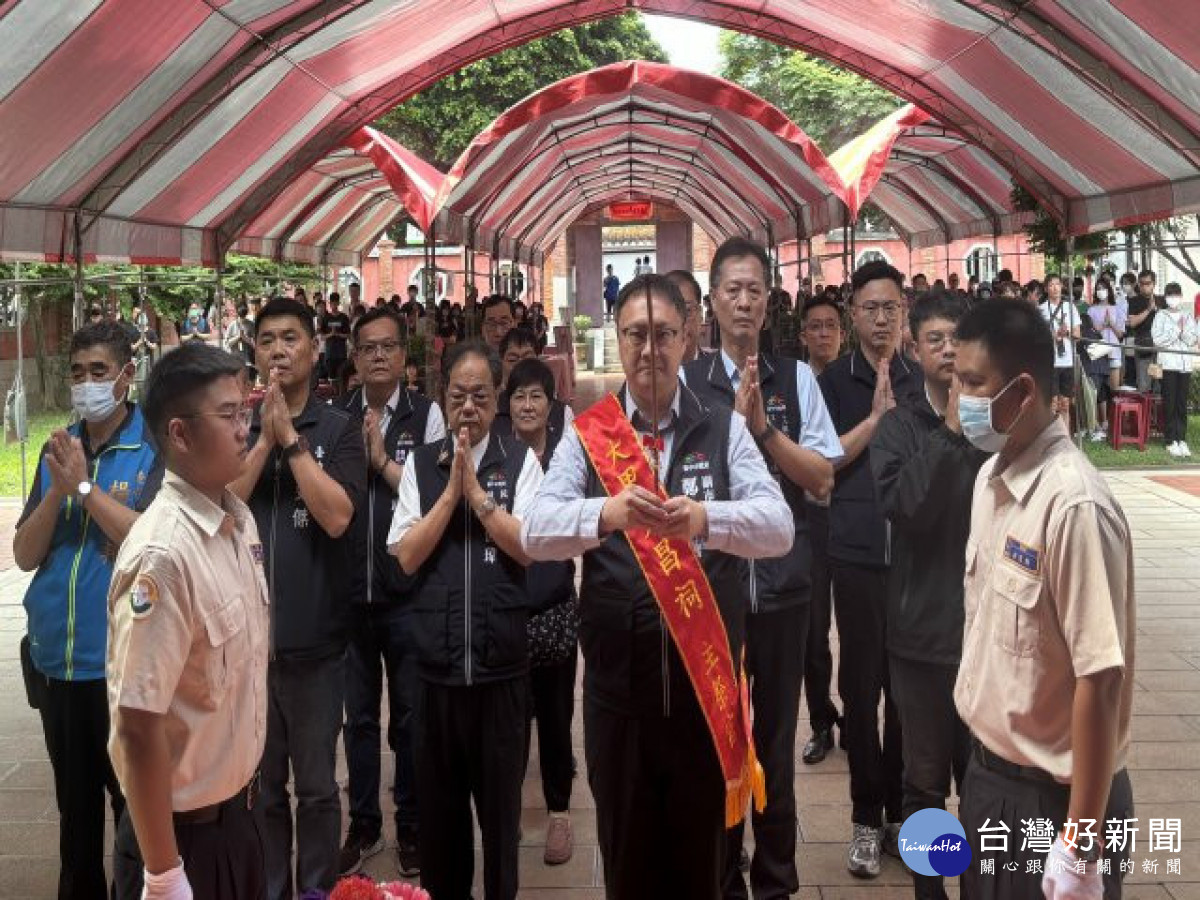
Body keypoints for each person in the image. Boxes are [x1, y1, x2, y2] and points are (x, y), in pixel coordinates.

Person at [522, 274, 794, 900]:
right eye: (637, 334)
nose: (650, 349)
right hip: (620, 701)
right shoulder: (589, 434)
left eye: (664, 334)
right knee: (629, 860)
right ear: (618, 339)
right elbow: (535, 532)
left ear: (689, 337)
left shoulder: (722, 428)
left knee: (702, 865)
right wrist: (604, 514)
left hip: (705, 696)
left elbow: (779, 527)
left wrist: (708, 519)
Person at [952, 299, 1136, 900]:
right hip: (990, 782)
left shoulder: (1075, 505)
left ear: (1024, 391)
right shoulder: (991, 480)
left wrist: (1081, 848)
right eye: (957, 379)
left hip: (1056, 801)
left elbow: (1101, 677)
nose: (961, 398)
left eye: (974, 382)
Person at [683, 238, 841, 900]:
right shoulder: (688, 384)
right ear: (712, 301)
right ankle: (721, 879)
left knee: (773, 746)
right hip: (710, 598)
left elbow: (824, 479)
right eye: (732, 290)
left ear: (770, 301)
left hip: (782, 593)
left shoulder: (795, 379)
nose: (745, 301)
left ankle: (775, 881)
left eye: (756, 290)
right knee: (718, 746)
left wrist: (764, 435)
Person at [108, 343, 267, 900]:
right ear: (179, 433)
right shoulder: (163, 555)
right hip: (180, 842)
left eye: (246, 410)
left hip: (237, 820)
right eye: (229, 415)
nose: (245, 427)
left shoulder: (237, 520)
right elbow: (137, 723)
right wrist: (163, 873)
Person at [387, 341, 543, 900]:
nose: (469, 408)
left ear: (497, 398)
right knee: (441, 832)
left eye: (481, 396)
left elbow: (528, 547)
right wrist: (449, 494)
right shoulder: (421, 468)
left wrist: (476, 496)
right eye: (458, 396)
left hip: (501, 675)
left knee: (501, 828)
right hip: (435, 677)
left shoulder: (521, 460)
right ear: (442, 397)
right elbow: (406, 555)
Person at [13, 321, 162, 900]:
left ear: (127, 374)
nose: (86, 385)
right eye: (77, 374)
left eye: (99, 373)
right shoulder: (58, 451)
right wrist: (56, 487)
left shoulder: (152, 449)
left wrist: (83, 490)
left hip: (122, 667)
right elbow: (26, 554)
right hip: (59, 663)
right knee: (75, 821)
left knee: (137, 815)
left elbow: (147, 541)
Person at [230, 297, 367, 900]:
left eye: (290, 337)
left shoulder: (339, 429)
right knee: (261, 792)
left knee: (315, 791)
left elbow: (338, 516)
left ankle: (316, 891)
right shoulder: (236, 428)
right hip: (249, 651)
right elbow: (220, 507)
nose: (279, 349)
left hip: (317, 649)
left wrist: (292, 442)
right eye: (267, 340)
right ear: (255, 353)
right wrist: (264, 438)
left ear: (315, 348)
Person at [868, 292, 988, 900]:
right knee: (924, 785)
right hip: (919, 636)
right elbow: (907, 509)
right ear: (914, 349)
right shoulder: (899, 427)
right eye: (936, 340)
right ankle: (929, 892)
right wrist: (947, 432)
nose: (947, 350)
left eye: (957, 340)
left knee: (985, 784)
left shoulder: (999, 427)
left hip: (988, 637)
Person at [336, 308, 445, 878]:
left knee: (409, 716)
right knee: (357, 720)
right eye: (367, 349)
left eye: (387, 348)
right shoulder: (337, 418)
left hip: (408, 594)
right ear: (354, 359)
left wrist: (381, 462)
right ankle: (362, 823)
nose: (377, 356)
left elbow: (433, 494)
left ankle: (410, 822)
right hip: (352, 596)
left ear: (404, 357)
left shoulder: (425, 417)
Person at [818, 260, 918, 877]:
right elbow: (823, 463)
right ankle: (862, 815)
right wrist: (875, 422)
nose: (880, 319)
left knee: (906, 693)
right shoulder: (829, 386)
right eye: (870, 309)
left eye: (890, 308)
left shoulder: (924, 378)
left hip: (912, 560)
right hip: (854, 555)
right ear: (854, 315)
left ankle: (899, 816)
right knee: (860, 691)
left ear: (902, 313)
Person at [507, 357, 580, 865]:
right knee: (508, 721)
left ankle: (559, 813)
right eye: (519, 396)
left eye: (536, 396)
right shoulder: (499, 458)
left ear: (550, 405)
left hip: (554, 607)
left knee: (555, 718)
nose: (528, 405)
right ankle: (505, 810)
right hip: (506, 611)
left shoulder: (566, 457)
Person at [797, 296, 846, 766]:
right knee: (813, 632)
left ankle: (853, 715)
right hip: (808, 519)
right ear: (803, 336)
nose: (824, 334)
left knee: (853, 630)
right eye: (816, 326)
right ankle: (820, 722)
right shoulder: (793, 386)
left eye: (832, 326)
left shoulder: (855, 385)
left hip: (847, 520)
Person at [1152, 282, 1198, 457]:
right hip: (1169, 364)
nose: (1173, 298)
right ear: (1166, 297)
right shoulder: (1161, 316)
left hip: (1184, 365)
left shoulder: (1187, 315)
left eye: (1176, 294)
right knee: (1169, 402)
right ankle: (1170, 440)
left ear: (1181, 296)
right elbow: (1158, 340)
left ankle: (1182, 439)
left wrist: (1183, 331)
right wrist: (1175, 330)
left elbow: (1192, 339)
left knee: (1181, 403)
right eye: (1170, 295)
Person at [1038, 274, 1081, 427]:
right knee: (1052, 404)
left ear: (1062, 286)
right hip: (1050, 361)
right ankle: (1050, 440)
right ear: (1046, 289)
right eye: (1051, 285)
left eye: (1057, 284)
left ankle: (1065, 441)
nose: (1055, 288)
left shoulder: (1070, 307)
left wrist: (1066, 333)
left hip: (1067, 360)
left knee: (1065, 403)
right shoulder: (1041, 309)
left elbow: (1078, 335)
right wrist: (1053, 337)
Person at [1085, 278, 1125, 441]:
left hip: (1114, 353)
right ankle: (1099, 423)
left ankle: (1111, 423)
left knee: (1113, 390)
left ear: (1109, 290)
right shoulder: (1091, 310)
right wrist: (1101, 326)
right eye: (1098, 288)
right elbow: (1088, 333)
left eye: (1104, 288)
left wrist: (1111, 324)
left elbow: (1121, 334)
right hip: (1097, 355)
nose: (1101, 291)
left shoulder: (1117, 309)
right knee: (1097, 390)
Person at [1126, 270, 1159, 391]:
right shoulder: (1134, 301)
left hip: (1159, 349)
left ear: (1154, 283)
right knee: (1144, 386)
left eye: (1147, 283)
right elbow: (1132, 323)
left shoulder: (1161, 300)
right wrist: (1149, 309)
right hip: (1143, 347)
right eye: (1141, 283)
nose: (1144, 286)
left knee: (1158, 387)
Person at [665, 268, 705, 362]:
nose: (680, 323)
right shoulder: (648, 375)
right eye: (669, 313)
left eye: (687, 311)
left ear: (700, 315)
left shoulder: (719, 372)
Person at [321, 294, 352, 386]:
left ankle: (340, 397)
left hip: (341, 353)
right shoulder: (326, 318)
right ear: (329, 304)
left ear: (338, 303)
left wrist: (338, 334)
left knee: (341, 377)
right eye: (332, 303)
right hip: (330, 353)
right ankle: (332, 396)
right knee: (331, 378)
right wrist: (331, 334)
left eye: (335, 303)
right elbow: (322, 337)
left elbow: (348, 335)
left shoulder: (344, 317)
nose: (334, 305)